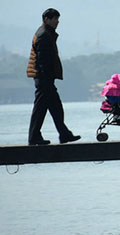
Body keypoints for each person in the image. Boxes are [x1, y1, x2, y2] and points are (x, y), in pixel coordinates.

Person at [26, 8, 80, 145]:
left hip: (44, 78)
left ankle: (64, 134)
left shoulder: (46, 33)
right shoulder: (43, 35)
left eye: (58, 19)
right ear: (46, 19)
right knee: (41, 109)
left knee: (55, 108)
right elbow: (42, 61)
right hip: (44, 79)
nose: (57, 22)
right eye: (55, 19)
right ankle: (34, 137)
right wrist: (47, 79)